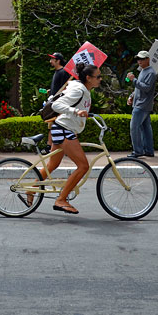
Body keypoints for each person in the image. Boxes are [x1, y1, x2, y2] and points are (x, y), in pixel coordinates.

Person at [36, 62, 101, 215]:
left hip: (63, 128)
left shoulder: (83, 89)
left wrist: (81, 114)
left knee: (52, 164)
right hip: (64, 129)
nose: (100, 79)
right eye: (98, 76)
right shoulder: (79, 90)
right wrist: (75, 111)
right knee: (83, 166)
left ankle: (32, 189)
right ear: (88, 78)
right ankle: (61, 199)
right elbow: (57, 105)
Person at [127, 50, 158, 158]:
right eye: (138, 59)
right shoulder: (144, 71)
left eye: (142, 59)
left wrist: (133, 80)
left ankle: (138, 151)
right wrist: (132, 96)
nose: (139, 61)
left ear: (148, 59)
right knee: (145, 128)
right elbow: (139, 88)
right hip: (142, 104)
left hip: (142, 105)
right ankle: (148, 150)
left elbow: (146, 88)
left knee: (134, 127)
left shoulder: (151, 73)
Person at [43, 52, 71, 154]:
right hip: (54, 102)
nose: (50, 61)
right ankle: (50, 147)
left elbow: (66, 88)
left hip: (59, 104)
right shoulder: (57, 72)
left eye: (52, 59)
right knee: (52, 124)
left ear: (58, 61)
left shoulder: (63, 72)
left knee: (56, 125)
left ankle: (52, 147)